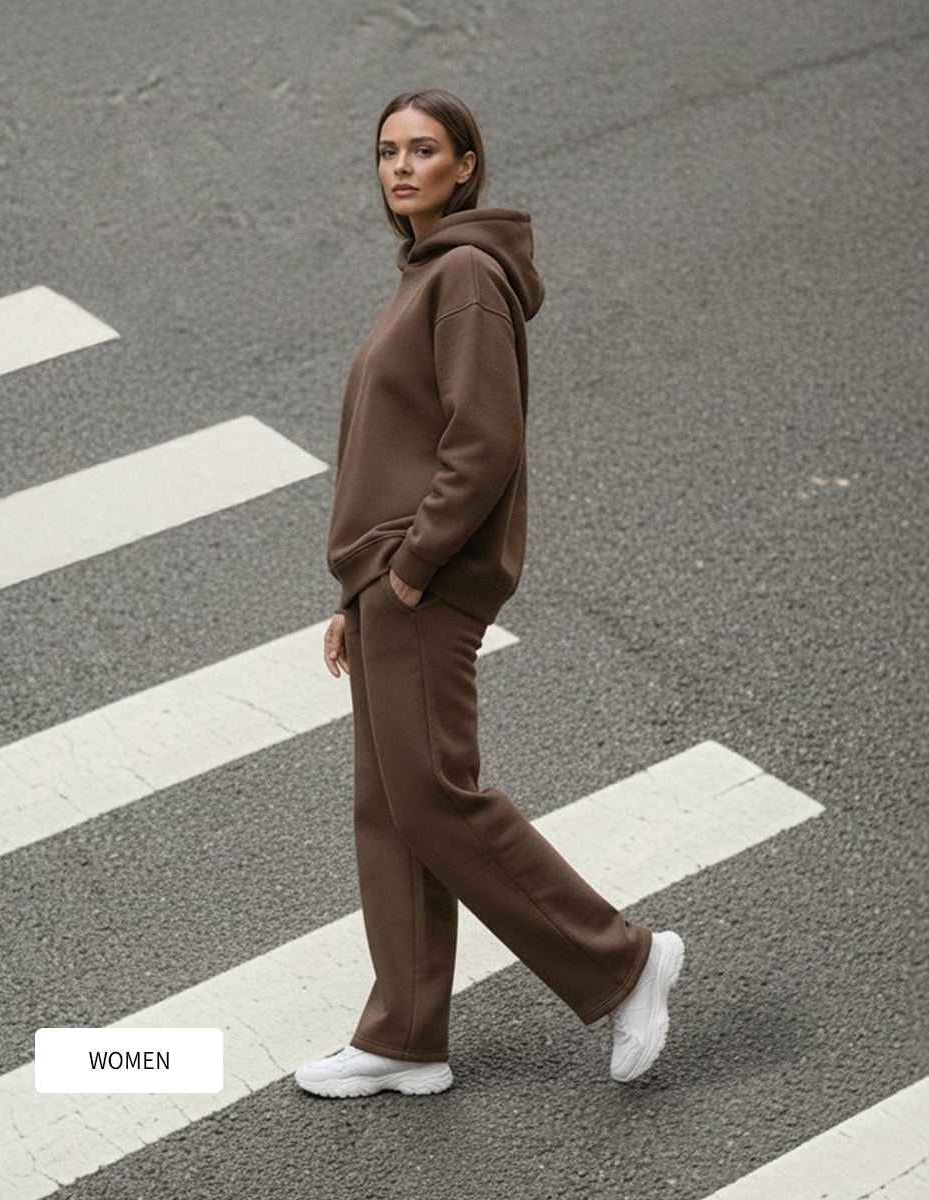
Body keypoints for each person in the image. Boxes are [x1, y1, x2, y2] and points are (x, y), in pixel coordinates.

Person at [297, 88, 684, 1098]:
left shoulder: (464, 275)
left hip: (424, 583)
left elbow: (482, 444)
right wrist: (356, 593)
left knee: (436, 800)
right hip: (385, 581)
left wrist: (411, 571)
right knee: (391, 811)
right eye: (387, 151)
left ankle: (623, 961)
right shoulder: (425, 273)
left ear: (466, 165)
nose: (401, 167)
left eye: (424, 150)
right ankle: (405, 1035)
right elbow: (405, 445)